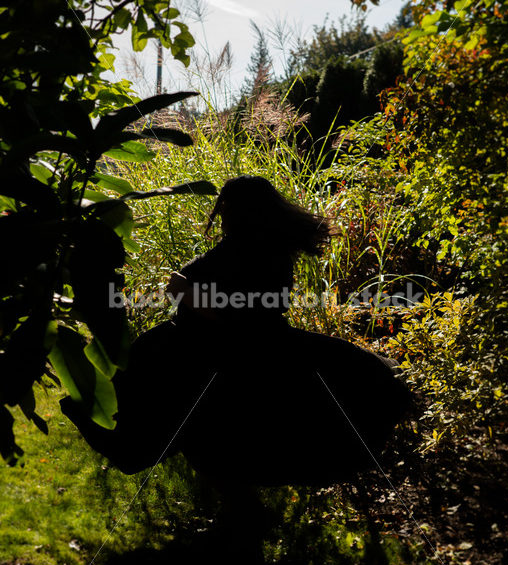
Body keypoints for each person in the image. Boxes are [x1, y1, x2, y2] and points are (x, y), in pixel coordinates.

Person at [62, 175, 413, 486]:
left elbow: (239, 316)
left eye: (226, 206)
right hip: (230, 342)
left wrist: (189, 295)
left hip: (218, 346)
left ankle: (235, 509)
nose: (221, 213)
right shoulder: (262, 246)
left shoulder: (254, 250)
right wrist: (186, 291)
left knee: (160, 417)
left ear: (243, 209)